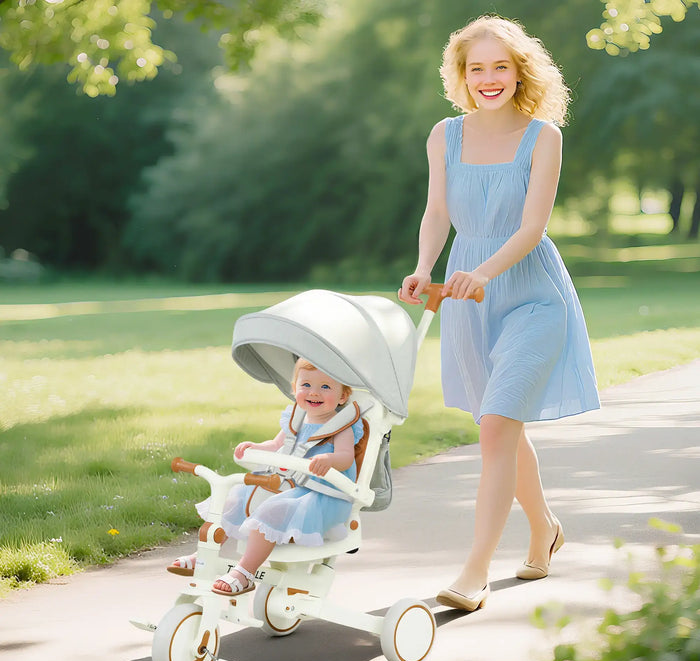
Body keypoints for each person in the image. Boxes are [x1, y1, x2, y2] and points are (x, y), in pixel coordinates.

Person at [399, 15, 599, 612]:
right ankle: (544, 528)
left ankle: (474, 572)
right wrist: (424, 266)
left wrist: (483, 272)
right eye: (476, 67)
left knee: (495, 429)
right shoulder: (445, 135)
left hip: (532, 296)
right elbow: (437, 211)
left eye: (500, 66)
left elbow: (533, 226)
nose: (488, 78)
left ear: (520, 71)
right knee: (500, 426)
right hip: (465, 294)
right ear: (462, 75)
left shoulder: (544, 137)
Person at [168, 358, 364, 596]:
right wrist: (257, 447)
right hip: (288, 483)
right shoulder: (296, 418)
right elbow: (276, 444)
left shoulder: (340, 427)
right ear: (294, 388)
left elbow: (345, 457)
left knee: (272, 509)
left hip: (319, 495)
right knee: (235, 497)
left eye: (325, 387)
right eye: (306, 385)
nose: (314, 393)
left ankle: (245, 572)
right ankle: (204, 555)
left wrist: (329, 460)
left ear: (343, 397)